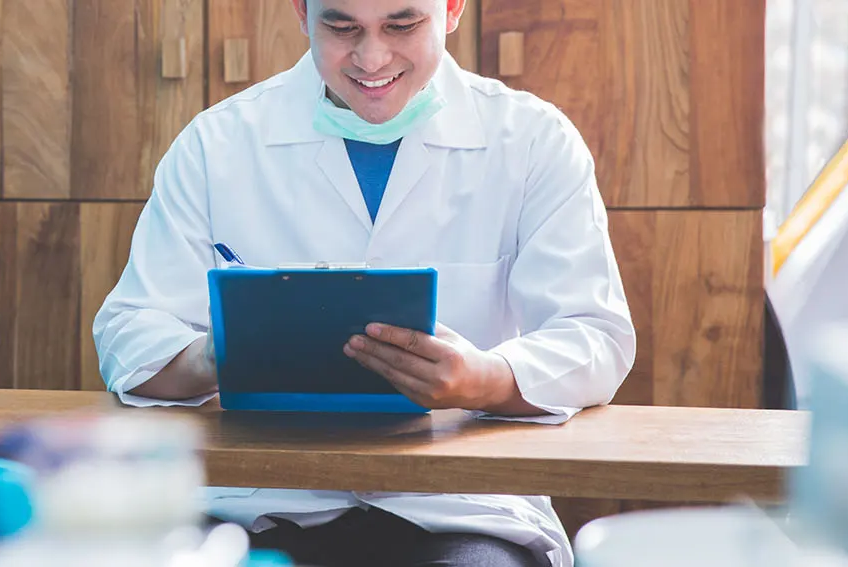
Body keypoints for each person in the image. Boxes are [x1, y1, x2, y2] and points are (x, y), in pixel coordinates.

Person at [91, 0, 636, 565]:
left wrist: (485, 379)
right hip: (260, 500)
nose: (371, 57)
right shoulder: (218, 143)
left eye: (402, 25)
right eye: (341, 26)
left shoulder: (532, 140)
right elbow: (127, 330)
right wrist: (219, 355)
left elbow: (594, 334)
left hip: (459, 506)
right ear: (302, 13)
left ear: (451, 8)